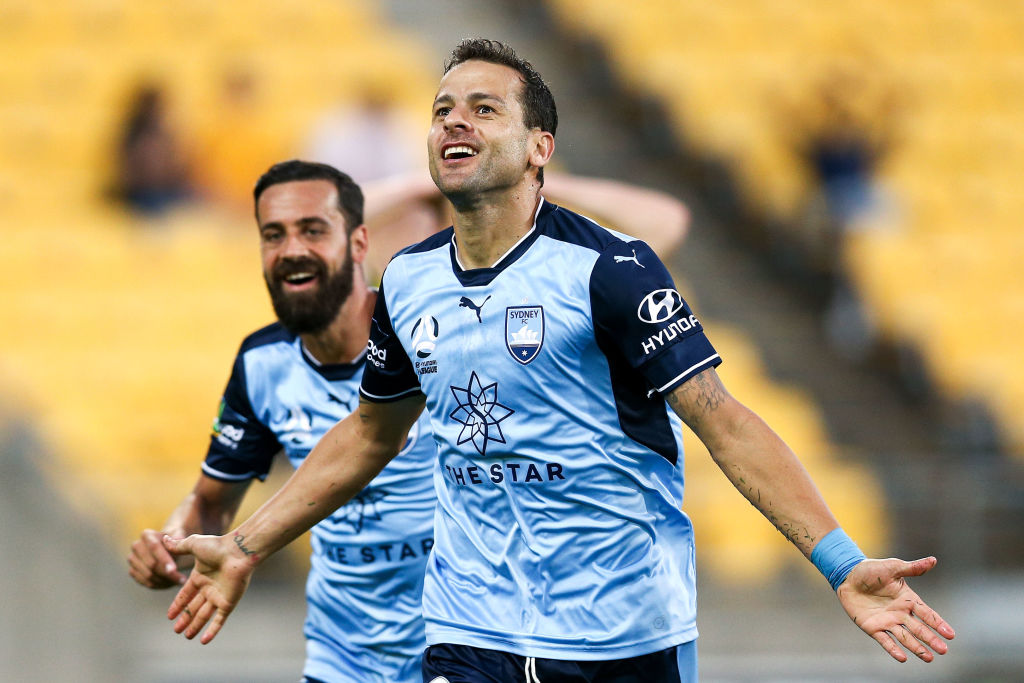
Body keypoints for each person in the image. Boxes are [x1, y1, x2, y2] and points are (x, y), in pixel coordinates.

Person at [159, 40, 954, 682]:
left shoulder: (610, 269)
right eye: (441, 110)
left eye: (483, 108)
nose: (453, 123)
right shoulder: (406, 279)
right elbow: (369, 432)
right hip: (470, 628)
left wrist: (841, 561)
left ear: (540, 147)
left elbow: (725, 422)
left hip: (621, 633)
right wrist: (246, 543)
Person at [128, 157, 691, 682]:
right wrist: (175, 539)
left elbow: (660, 229)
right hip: (341, 656)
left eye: (314, 232)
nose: (292, 248)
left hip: (462, 638)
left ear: (359, 241)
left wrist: (527, 189)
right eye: (273, 236)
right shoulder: (264, 363)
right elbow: (211, 501)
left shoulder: (449, 336)